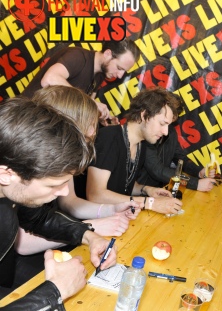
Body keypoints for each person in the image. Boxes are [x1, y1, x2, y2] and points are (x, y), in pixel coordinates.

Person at [0, 98, 117, 309]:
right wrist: (54, 292)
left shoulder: (10, 187)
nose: (64, 192)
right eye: (53, 185)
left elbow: (38, 217)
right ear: (6, 174)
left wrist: (89, 235)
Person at [15, 85, 141, 258]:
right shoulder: (27, 160)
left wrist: (110, 210)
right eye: (88, 124)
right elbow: (21, 242)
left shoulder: (65, 157)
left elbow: (69, 203)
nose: (92, 131)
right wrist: (91, 226)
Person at [75, 88, 183, 216]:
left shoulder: (141, 145)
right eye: (162, 123)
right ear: (144, 116)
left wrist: (146, 190)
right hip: (88, 221)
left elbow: (123, 185)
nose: (165, 132)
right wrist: (149, 203)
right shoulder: (109, 138)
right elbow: (95, 194)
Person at [22, 39, 141, 124]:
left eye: (123, 71)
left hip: (46, 122)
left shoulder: (100, 75)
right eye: (119, 68)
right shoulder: (78, 56)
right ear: (108, 54)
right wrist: (90, 102)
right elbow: (49, 79)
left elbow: (85, 106)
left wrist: (101, 117)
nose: (120, 75)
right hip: (26, 117)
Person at [136, 125, 217, 192]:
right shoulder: (146, 135)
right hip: (140, 192)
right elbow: (157, 170)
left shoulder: (170, 131)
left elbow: (181, 158)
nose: (165, 131)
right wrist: (195, 183)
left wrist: (199, 171)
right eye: (163, 122)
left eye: (171, 121)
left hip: (161, 190)